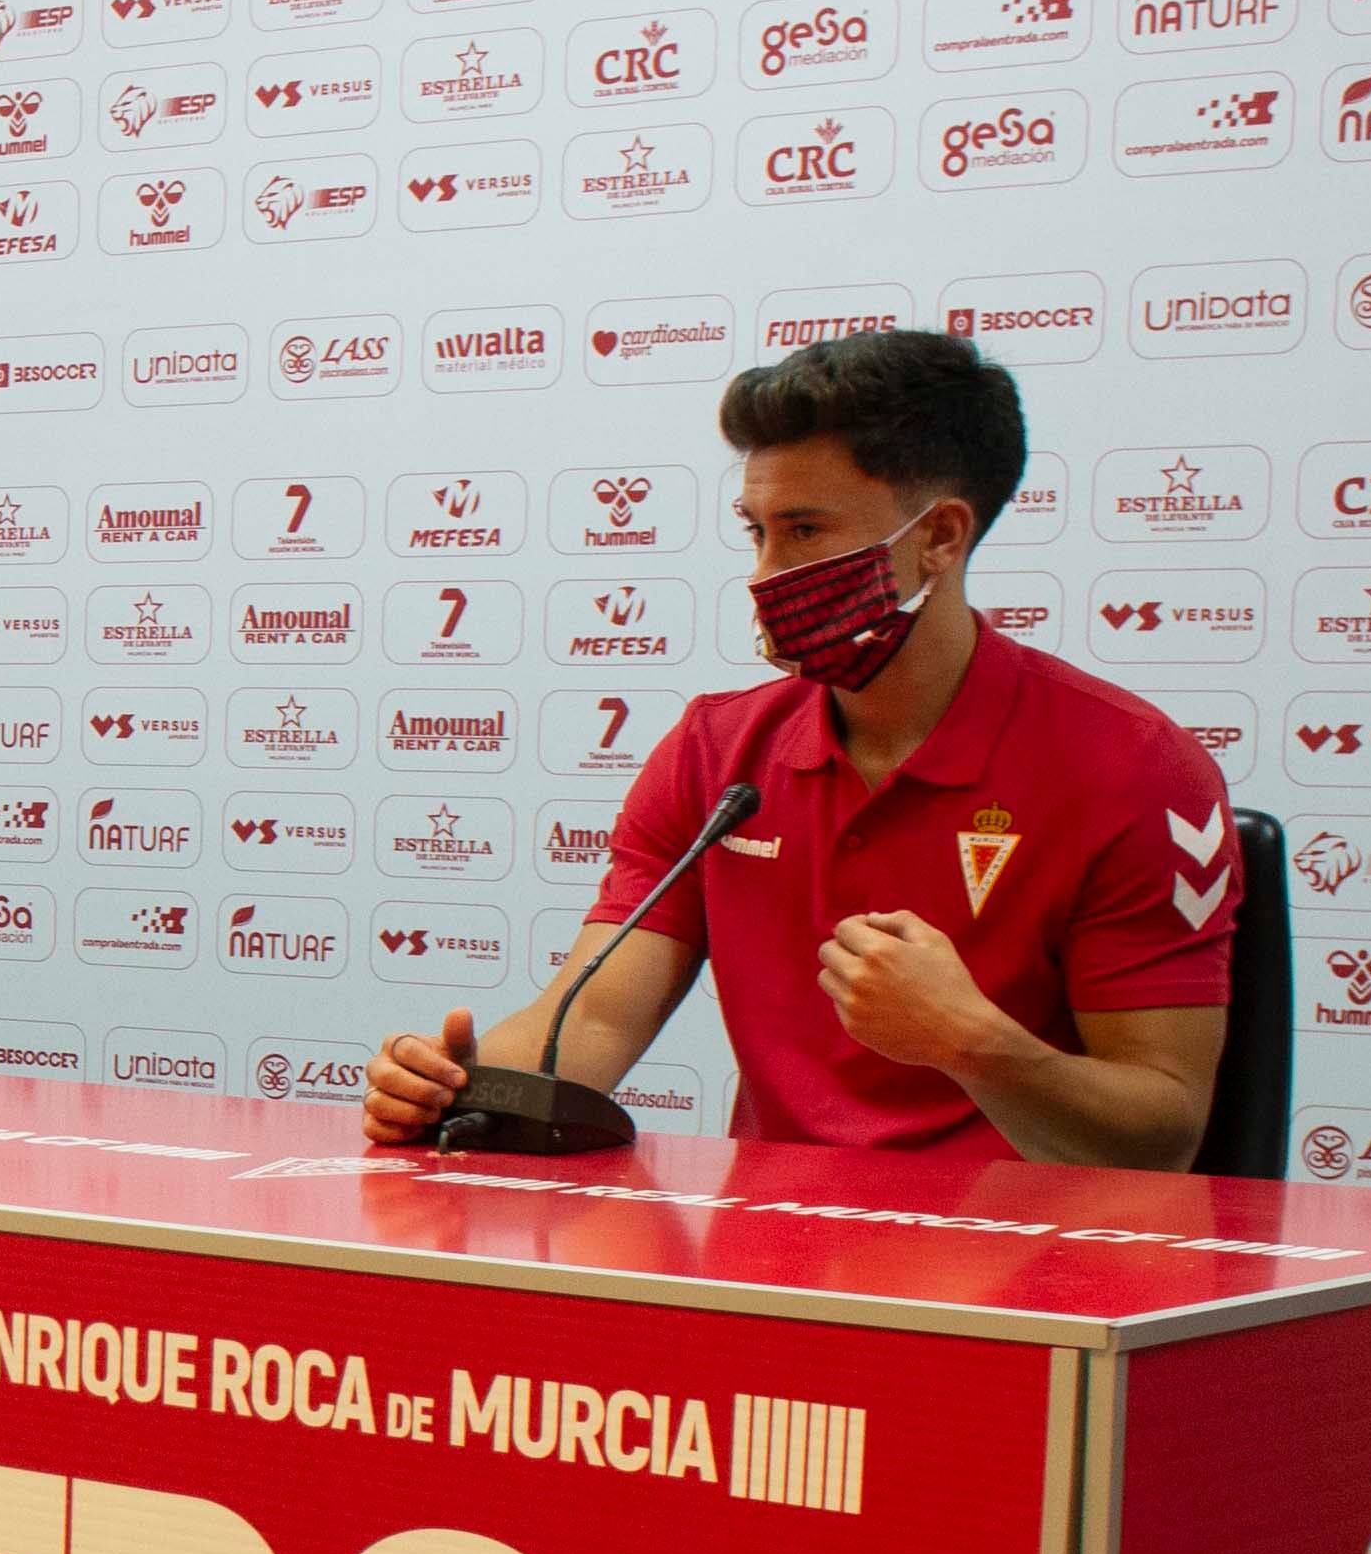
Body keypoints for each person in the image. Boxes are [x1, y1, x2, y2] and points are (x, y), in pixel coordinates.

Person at [360, 325, 1235, 1167]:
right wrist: (450, 1091)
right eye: (757, 530)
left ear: (938, 537)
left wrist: (974, 1044)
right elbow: (587, 1026)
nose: (763, 573)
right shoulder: (716, 752)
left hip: (1029, 1272)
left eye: (806, 532)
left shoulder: (1134, 766)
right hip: (772, 1255)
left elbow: (1162, 1138)